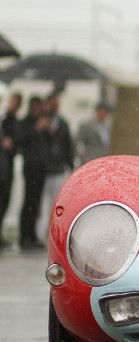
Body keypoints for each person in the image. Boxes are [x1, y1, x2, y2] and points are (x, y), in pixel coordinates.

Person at [36, 93, 75, 240]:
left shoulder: (62, 124)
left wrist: (70, 165)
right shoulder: (41, 122)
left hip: (58, 168)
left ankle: (52, 233)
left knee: (55, 204)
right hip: (43, 170)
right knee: (41, 204)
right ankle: (39, 233)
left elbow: (67, 145)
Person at [15, 97, 49, 249]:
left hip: (41, 167)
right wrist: (36, 128)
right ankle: (24, 235)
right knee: (28, 201)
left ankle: (32, 234)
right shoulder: (26, 123)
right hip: (30, 167)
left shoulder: (42, 122)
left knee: (36, 203)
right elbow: (21, 139)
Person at [0, 92, 21, 242]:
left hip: (5, 167)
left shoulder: (10, 120)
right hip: (4, 167)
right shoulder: (6, 118)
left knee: (4, 200)